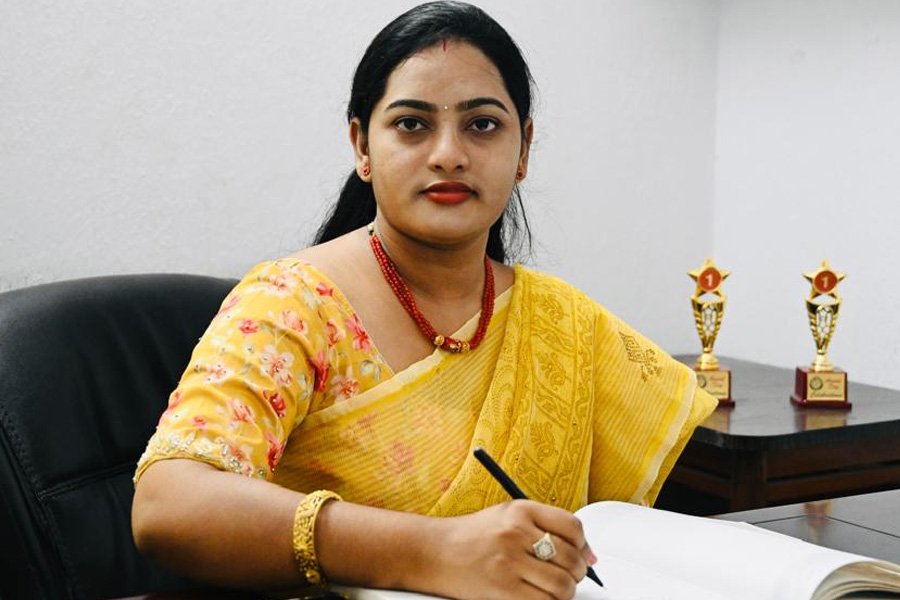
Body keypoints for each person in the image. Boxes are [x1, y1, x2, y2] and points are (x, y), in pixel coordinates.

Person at [131, 2, 717, 599]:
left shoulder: (565, 322)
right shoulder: (294, 304)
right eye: (412, 124)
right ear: (362, 145)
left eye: (482, 125)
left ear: (523, 150)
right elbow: (168, 505)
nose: (448, 154)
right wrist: (435, 551)